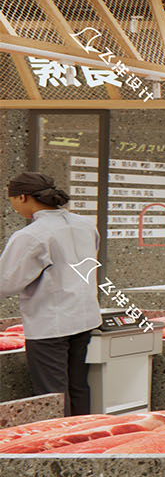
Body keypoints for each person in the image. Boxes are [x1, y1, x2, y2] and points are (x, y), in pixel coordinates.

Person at [0, 173, 101, 416]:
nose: (13, 206)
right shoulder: (85, 224)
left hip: (51, 325)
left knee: (52, 396)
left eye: (12, 200)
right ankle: (84, 437)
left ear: (23, 197)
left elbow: (5, 282)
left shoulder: (31, 235)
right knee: (78, 387)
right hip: (84, 318)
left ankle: (60, 440)